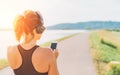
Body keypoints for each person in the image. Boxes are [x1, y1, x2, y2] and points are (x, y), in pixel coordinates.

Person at [7, 10, 59, 75]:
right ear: (35, 30)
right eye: (41, 28)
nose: (42, 31)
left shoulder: (10, 50)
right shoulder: (48, 53)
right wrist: (53, 59)